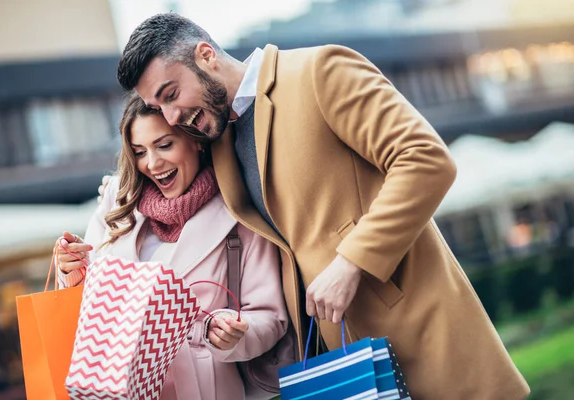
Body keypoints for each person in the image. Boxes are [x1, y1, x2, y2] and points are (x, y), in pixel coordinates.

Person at [103, 13, 531, 399]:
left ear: (206, 55)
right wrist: (98, 235)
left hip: (417, 330)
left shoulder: (319, 71)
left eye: (171, 93)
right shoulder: (220, 141)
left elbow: (425, 159)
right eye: (159, 106)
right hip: (337, 360)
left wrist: (351, 262)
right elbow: (171, 197)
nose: (172, 116)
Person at [57, 94, 287, 400]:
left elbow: (270, 317)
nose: (152, 164)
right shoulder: (118, 202)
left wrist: (234, 335)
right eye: (139, 152)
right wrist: (71, 271)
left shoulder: (238, 213)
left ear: (197, 141)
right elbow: (93, 300)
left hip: (205, 387)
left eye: (164, 145)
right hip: (119, 384)